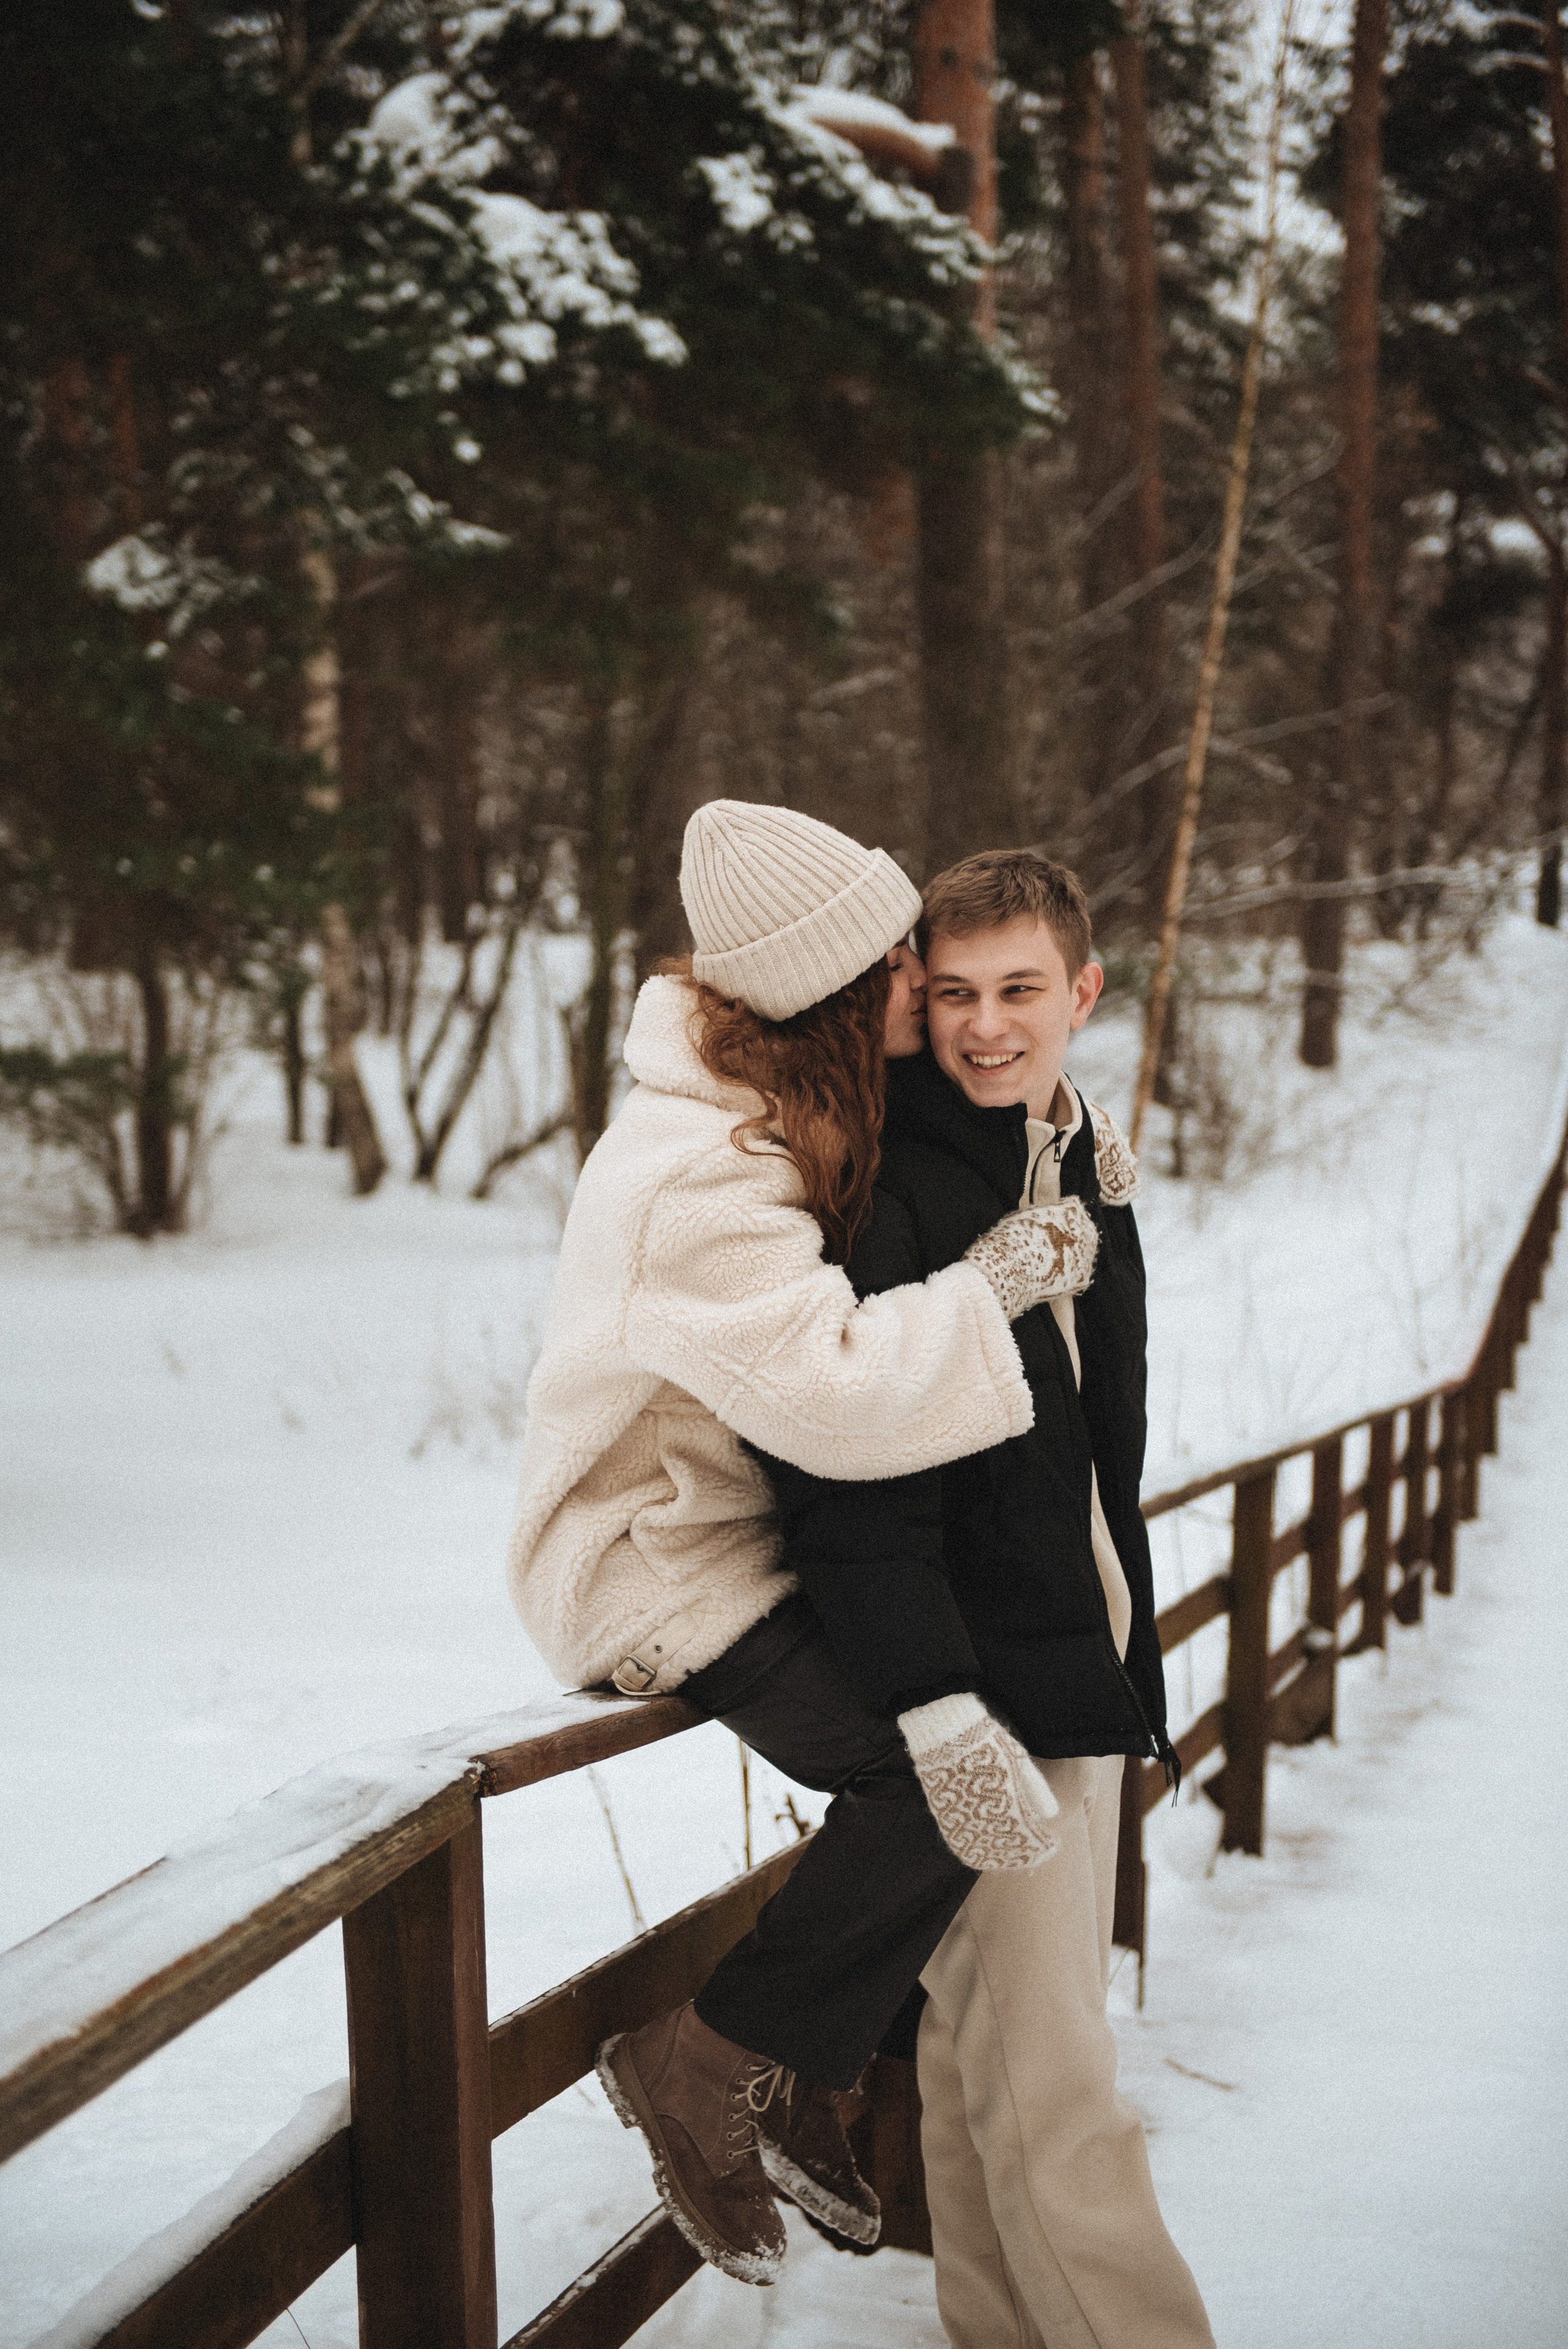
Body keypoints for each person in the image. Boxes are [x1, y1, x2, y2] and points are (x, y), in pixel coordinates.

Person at [507, 801, 1092, 2288]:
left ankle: (796, 2072)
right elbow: (833, 1391)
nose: (918, 974)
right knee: (928, 1784)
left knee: (969, 1754)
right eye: (894, 959)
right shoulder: (698, 1178)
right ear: (827, 990)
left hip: (731, 1534)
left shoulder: (765, 1102)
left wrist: (1062, 1151)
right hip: (652, 1560)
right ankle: (703, 2057)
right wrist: (989, 1286)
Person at [760, 846, 1215, 2349]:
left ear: (1083, 989)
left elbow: (1092, 1443)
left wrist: (1084, 1180)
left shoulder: (1064, 1160)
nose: (981, 1024)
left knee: (982, 2076)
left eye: (1019, 989)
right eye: (951, 992)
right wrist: (939, 1708)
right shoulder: (892, 1186)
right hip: (981, 1703)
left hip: (1073, 1667)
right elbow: (850, 1484)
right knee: (1058, 2097)